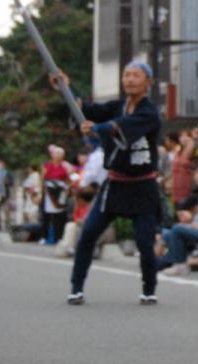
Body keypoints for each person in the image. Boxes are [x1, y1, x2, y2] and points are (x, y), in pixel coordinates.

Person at [57, 61, 164, 306]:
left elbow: (119, 127)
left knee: (144, 244)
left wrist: (97, 129)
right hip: (115, 184)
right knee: (87, 235)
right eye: (126, 75)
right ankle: (76, 288)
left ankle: (149, 289)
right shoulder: (118, 106)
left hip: (142, 186)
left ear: (147, 82)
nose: (130, 79)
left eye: (136, 75)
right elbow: (88, 109)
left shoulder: (148, 113)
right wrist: (66, 89)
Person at [40, 145, 73, 245]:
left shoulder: (66, 166)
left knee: (60, 215)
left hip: (61, 191)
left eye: (60, 154)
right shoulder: (47, 165)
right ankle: (44, 236)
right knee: (47, 215)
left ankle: (59, 237)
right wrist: (43, 190)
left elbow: (70, 178)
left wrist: (68, 188)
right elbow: (42, 178)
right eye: (56, 154)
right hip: (49, 191)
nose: (58, 156)